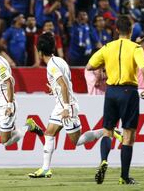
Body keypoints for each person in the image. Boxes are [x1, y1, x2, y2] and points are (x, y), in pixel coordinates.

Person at [28, 33, 118, 178]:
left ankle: (108, 131)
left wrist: (65, 107)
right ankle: (45, 169)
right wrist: (54, 90)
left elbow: (63, 85)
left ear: (39, 51)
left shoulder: (52, 65)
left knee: (77, 141)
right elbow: (65, 84)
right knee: (49, 133)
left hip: (66, 107)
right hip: (63, 104)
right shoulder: (60, 61)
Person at [86, 15, 144, 185]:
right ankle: (124, 177)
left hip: (111, 92)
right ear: (130, 31)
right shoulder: (135, 47)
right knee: (128, 135)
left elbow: (89, 66)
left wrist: (107, 65)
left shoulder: (107, 47)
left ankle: (104, 160)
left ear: (116, 30)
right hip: (128, 92)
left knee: (108, 130)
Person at [0, 34, 44, 176]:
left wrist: (10, 104)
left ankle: (29, 126)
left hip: (5, 105)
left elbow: (9, 82)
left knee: (5, 141)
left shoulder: (0, 62)